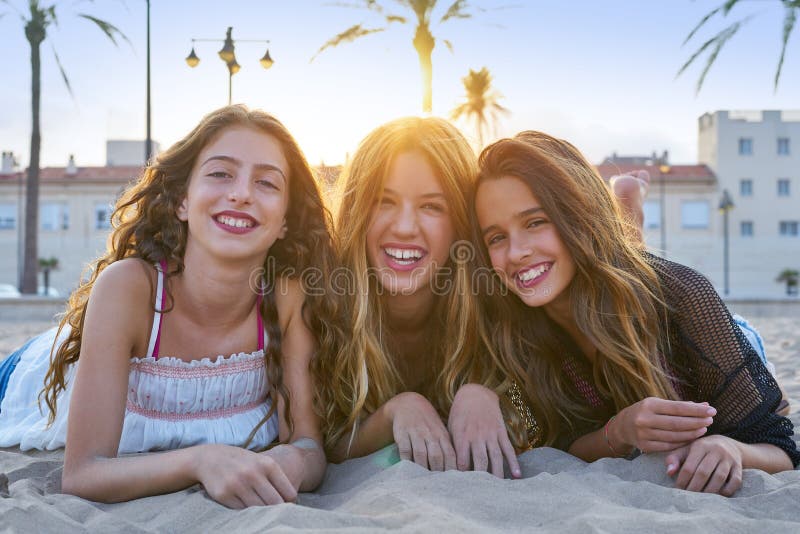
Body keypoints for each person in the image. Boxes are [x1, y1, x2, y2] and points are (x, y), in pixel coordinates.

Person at [0, 105, 340, 508]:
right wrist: (200, 461)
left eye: (267, 183)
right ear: (182, 201)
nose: (242, 193)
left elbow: (309, 448)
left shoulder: (286, 298)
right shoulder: (129, 287)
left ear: (284, 219)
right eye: (220, 173)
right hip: (28, 375)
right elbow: (82, 473)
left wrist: (294, 457)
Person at [471, 131, 799, 495]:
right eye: (496, 237)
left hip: (709, 334)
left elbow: (781, 448)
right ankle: (627, 212)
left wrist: (731, 447)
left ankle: (628, 210)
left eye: (535, 222)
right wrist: (620, 431)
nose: (516, 252)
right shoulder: (509, 328)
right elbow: (550, 442)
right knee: (614, 272)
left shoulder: (687, 295)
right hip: (616, 295)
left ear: (577, 214)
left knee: (770, 393)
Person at [314, 117, 525, 479]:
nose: (405, 227)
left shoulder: (495, 296)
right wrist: (396, 412)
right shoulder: (327, 304)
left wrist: (490, 397)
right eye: (384, 202)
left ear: (460, 222)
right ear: (358, 212)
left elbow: (541, 419)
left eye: (431, 207)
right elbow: (324, 441)